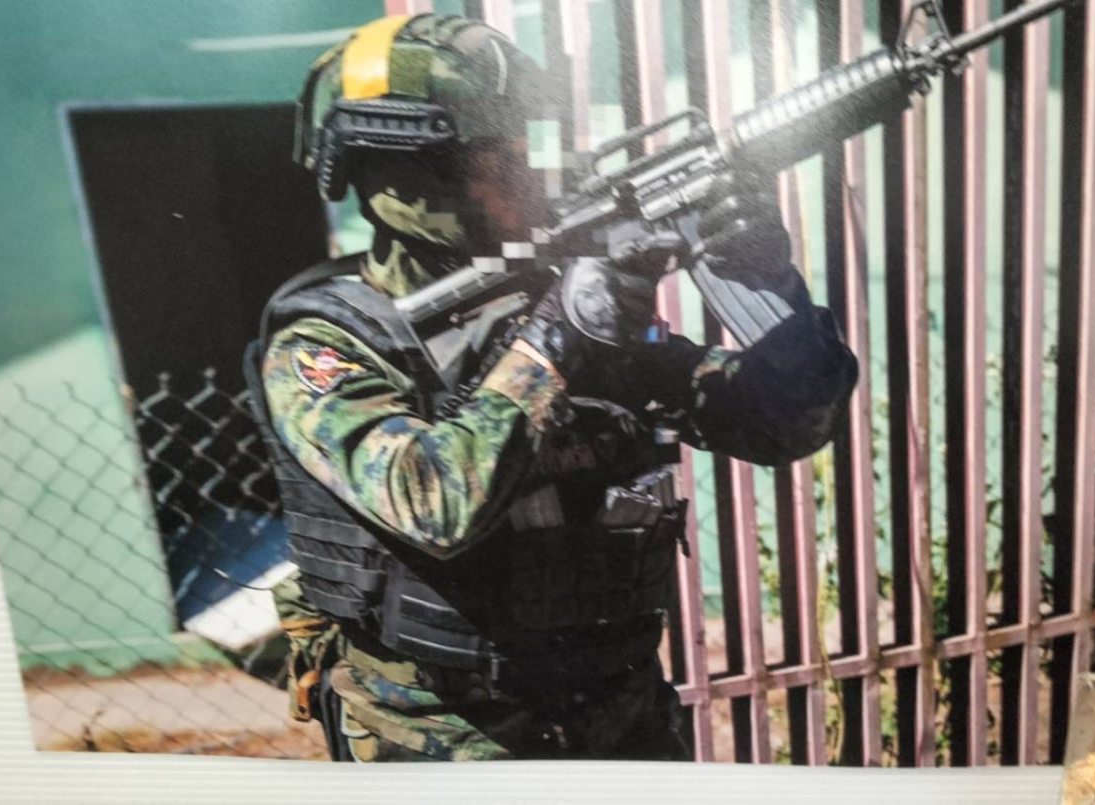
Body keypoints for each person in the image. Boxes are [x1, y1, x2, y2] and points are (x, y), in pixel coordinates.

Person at [244, 13, 858, 762]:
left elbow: (780, 424)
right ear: (408, 176)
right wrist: (562, 333)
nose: (531, 175)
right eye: (497, 157)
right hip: (441, 737)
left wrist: (771, 287)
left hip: (623, 718)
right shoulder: (326, 343)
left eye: (526, 149)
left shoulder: (559, 304)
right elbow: (432, 503)